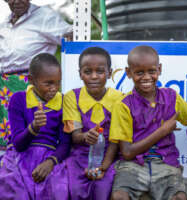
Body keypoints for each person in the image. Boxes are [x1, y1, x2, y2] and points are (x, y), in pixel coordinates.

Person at [109, 45, 187, 200]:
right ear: (129, 73)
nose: (146, 77)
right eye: (139, 72)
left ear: (159, 69)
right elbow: (127, 152)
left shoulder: (172, 97)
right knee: (119, 196)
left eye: (152, 71)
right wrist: (163, 131)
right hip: (133, 165)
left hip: (166, 163)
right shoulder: (123, 105)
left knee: (180, 197)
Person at [0, 0, 72, 151]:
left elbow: (71, 37)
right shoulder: (4, 23)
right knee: (7, 142)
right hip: (4, 89)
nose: (17, 1)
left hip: (32, 87)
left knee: (30, 137)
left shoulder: (45, 16)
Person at [0, 53, 71, 199]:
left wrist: (50, 162)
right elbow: (18, 144)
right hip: (21, 156)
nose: (54, 88)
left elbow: (65, 143)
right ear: (32, 80)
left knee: (56, 188)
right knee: (12, 182)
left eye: (58, 83)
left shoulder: (64, 102)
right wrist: (33, 128)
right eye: (48, 83)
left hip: (51, 156)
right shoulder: (18, 99)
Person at [63, 47, 123, 200]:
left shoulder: (120, 99)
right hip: (79, 157)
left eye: (100, 71)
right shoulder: (71, 97)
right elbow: (75, 136)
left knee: (103, 188)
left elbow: (116, 140)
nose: (94, 77)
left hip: (109, 158)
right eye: (88, 72)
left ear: (109, 73)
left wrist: (103, 167)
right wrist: (85, 137)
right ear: (80, 74)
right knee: (75, 189)